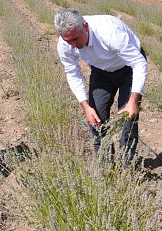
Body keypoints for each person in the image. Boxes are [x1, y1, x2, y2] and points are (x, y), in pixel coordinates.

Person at [54, 9, 148, 164]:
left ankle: (128, 169)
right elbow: (72, 73)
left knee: (128, 120)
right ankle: (106, 169)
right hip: (101, 71)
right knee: (96, 119)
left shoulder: (109, 31)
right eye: (67, 41)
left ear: (85, 26)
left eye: (75, 39)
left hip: (128, 68)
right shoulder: (65, 44)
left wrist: (133, 100)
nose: (72, 45)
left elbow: (138, 63)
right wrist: (85, 106)